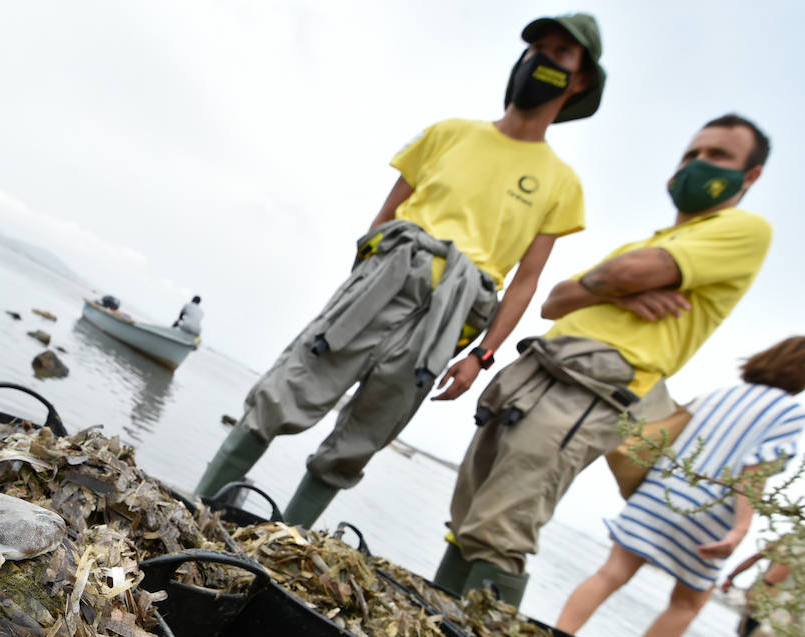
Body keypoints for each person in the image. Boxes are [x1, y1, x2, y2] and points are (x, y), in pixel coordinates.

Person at [192, 14, 605, 526]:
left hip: (454, 309)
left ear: (581, 78)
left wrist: (484, 354)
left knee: (368, 428)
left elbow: (525, 280)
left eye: (561, 53)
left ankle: (283, 542)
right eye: (536, 47)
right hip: (388, 274)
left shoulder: (562, 183)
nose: (541, 58)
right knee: (290, 387)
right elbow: (384, 218)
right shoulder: (448, 134)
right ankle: (195, 508)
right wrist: (364, 278)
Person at [438, 113, 775, 606]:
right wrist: (618, 292)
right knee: (468, 514)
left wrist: (606, 285)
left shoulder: (743, 229)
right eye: (692, 154)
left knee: (502, 529)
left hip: (590, 393)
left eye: (718, 157)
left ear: (750, 175)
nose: (699, 164)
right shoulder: (651, 240)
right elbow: (554, 299)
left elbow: (628, 272)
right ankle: (423, 622)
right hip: (534, 374)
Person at [552, 337, 805, 637]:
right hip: (708, 514)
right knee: (688, 603)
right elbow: (754, 471)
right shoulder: (790, 413)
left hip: (658, 494)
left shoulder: (719, 395)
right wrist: (741, 528)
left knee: (610, 573)